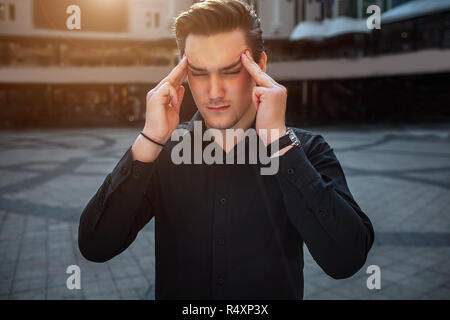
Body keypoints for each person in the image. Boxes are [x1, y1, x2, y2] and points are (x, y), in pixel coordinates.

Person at [78, 0, 374, 300]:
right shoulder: (163, 153)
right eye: (199, 73)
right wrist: (150, 139)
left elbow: (346, 260)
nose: (214, 92)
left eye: (231, 71)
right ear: (183, 73)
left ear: (260, 67)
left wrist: (280, 143)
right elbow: (96, 245)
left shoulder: (306, 150)